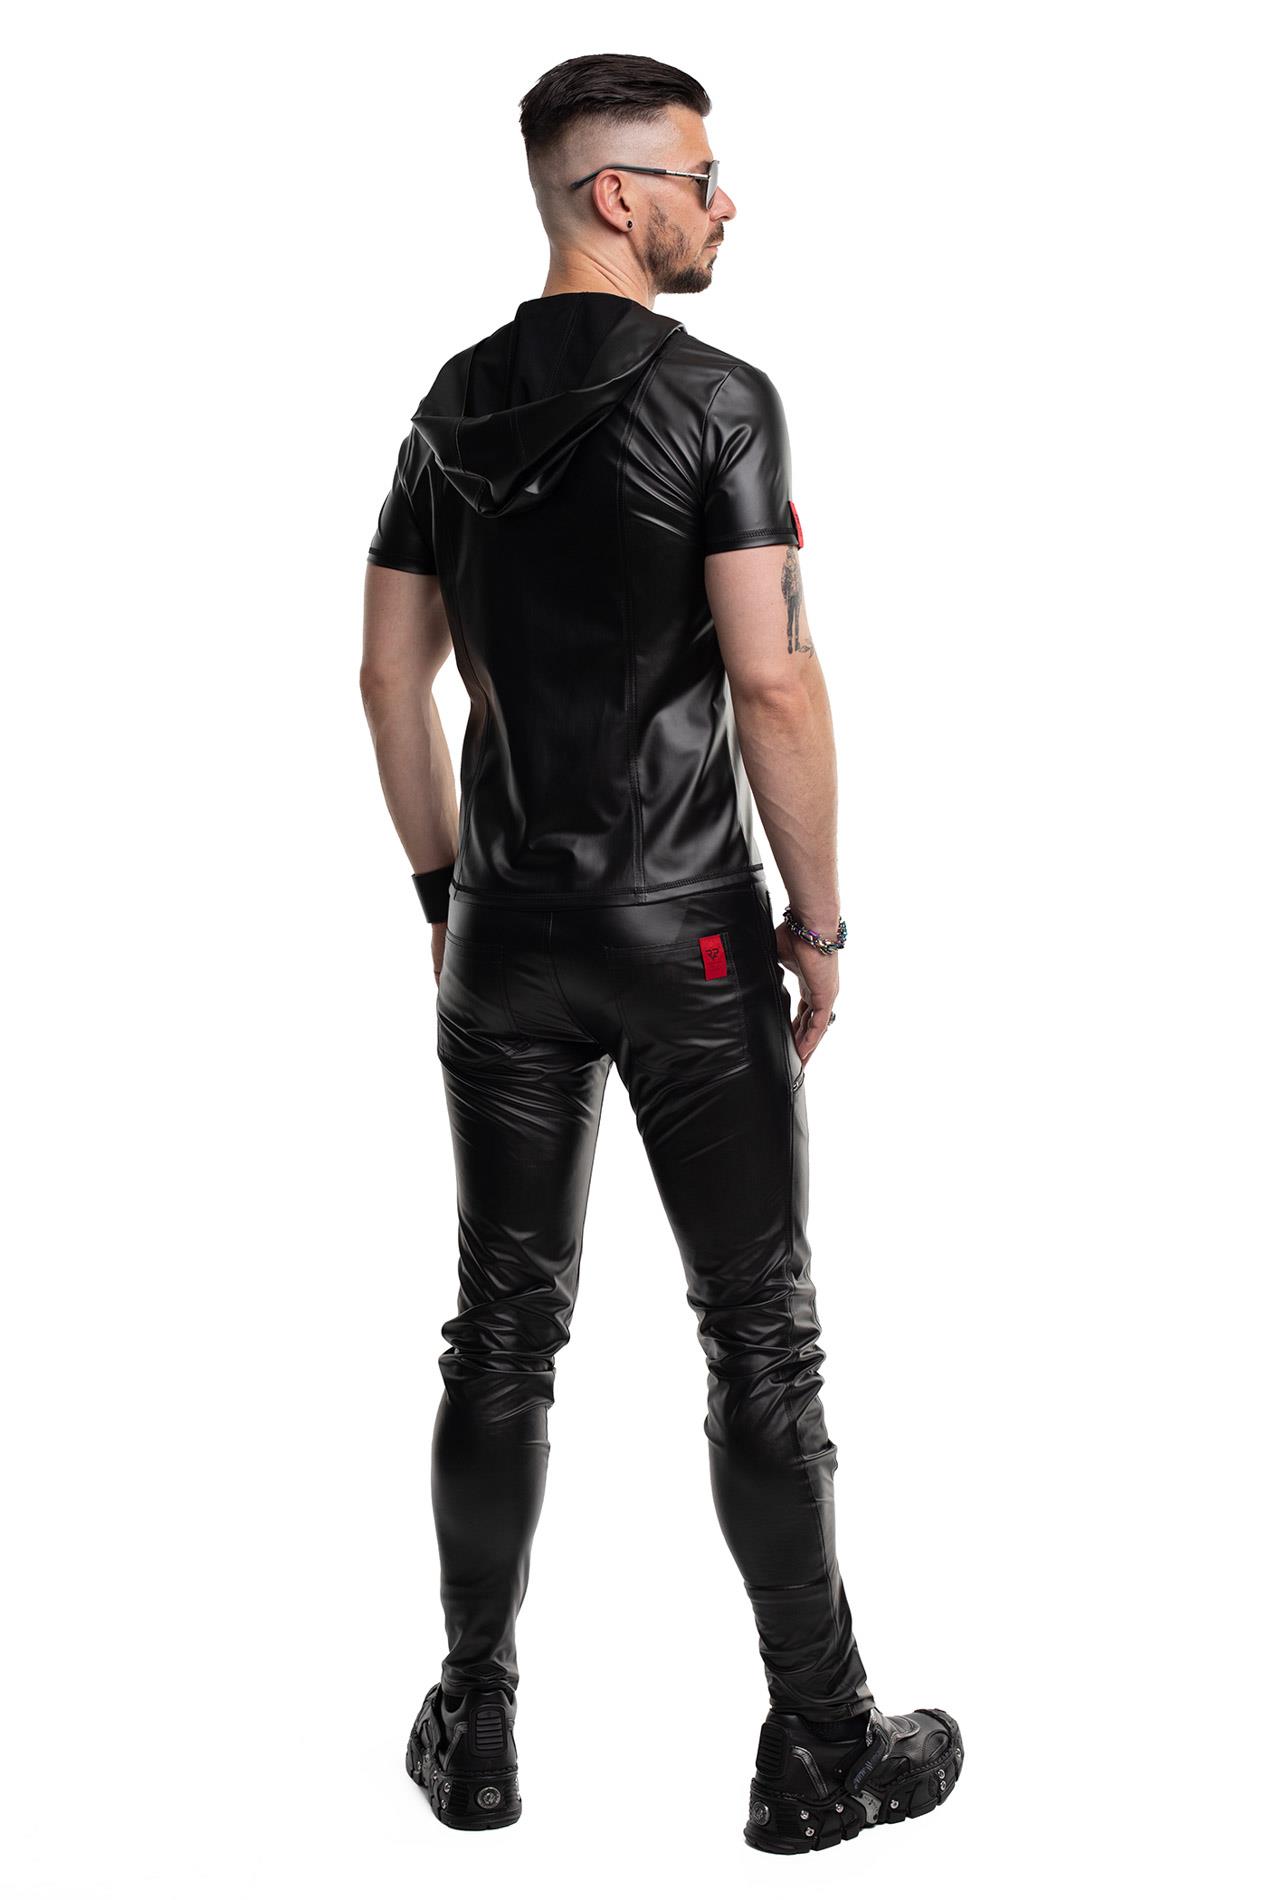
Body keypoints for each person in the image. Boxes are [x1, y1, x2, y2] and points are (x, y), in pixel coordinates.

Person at [359, 52, 963, 1854]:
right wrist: (819, 926)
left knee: (501, 1333)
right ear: (615, 195)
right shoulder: (718, 401)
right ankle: (824, 1743)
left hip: (503, 942)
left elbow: (389, 676)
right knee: (760, 1337)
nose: (725, 201)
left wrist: (446, 898)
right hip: (689, 940)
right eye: (702, 176)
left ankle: (474, 1726)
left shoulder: (447, 408)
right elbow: (772, 678)